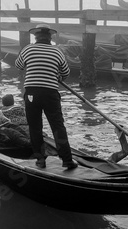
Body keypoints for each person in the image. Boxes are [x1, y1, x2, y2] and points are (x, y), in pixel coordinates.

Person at [15, 23, 77, 169]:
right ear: (49, 37)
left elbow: (18, 65)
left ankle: (40, 160)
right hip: (50, 93)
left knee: (35, 127)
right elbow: (66, 73)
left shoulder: (28, 49)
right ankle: (67, 160)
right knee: (57, 126)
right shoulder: (57, 51)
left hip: (31, 94)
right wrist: (56, 74)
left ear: (36, 37)